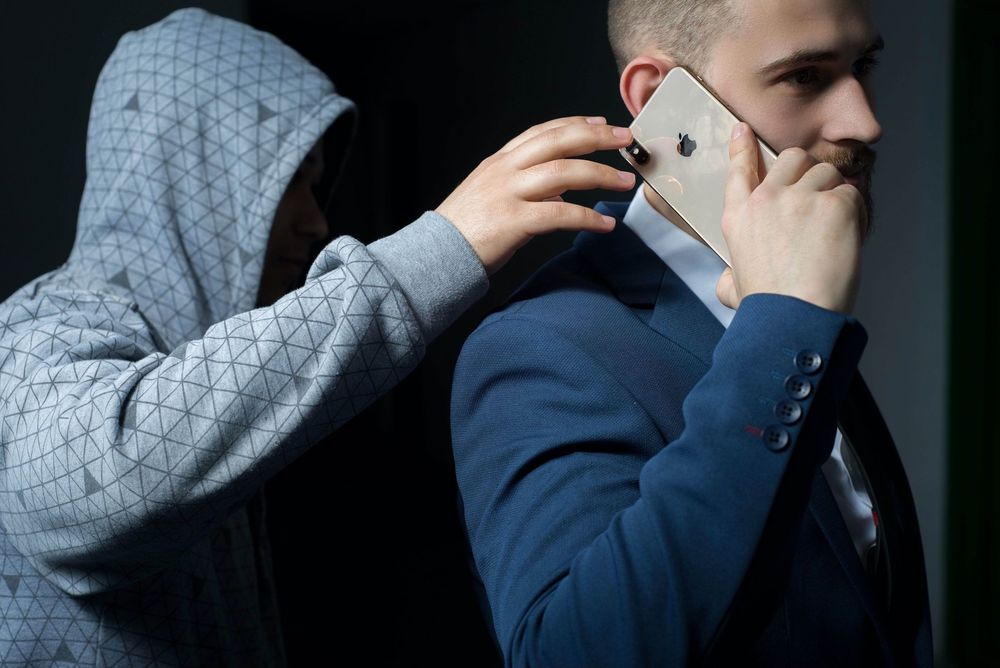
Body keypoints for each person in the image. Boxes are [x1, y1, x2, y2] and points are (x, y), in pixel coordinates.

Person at [0, 8, 638, 666]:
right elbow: (106, 484)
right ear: (194, 172)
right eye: (289, 181)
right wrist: (444, 245)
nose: (315, 222)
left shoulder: (196, 364)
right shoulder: (35, 333)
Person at [451, 0, 933, 665]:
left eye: (864, 65)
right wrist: (786, 325)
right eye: (804, 76)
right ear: (659, 101)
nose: (865, 122)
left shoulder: (799, 296)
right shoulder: (542, 349)